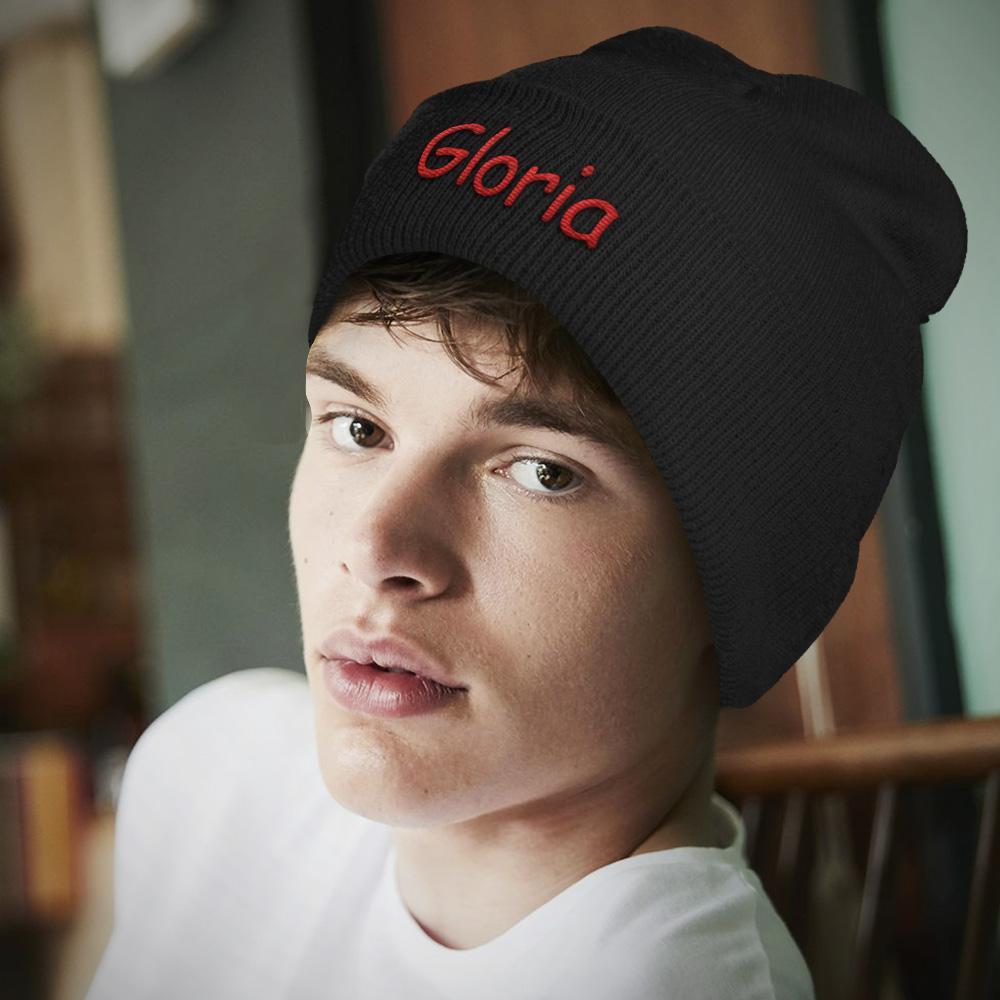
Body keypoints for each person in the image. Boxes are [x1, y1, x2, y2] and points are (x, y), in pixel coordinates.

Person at [86, 23, 966, 1000]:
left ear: (742, 586)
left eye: (543, 471)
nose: (377, 547)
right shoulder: (214, 770)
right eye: (358, 427)